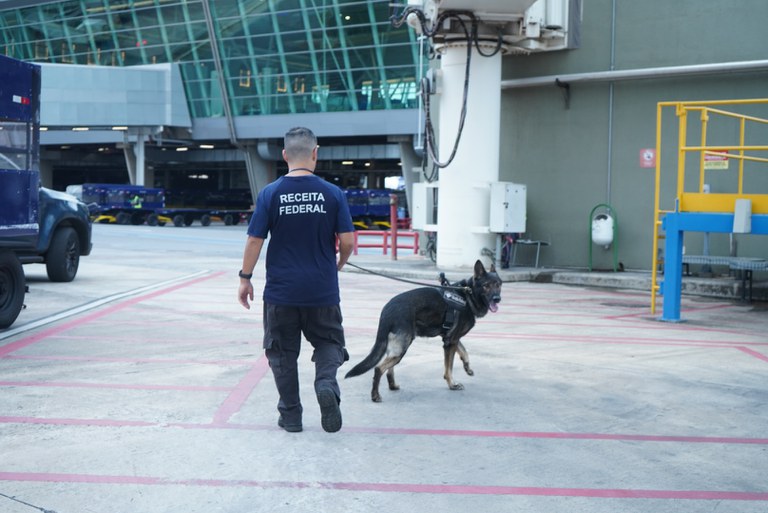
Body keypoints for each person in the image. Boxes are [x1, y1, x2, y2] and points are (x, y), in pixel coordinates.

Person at [238, 127, 355, 433]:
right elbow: (347, 240)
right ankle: (326, 383)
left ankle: (291, 416)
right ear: (316, 153)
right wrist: (338, 263)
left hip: (282, 293)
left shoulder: (270, 193)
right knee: (329, 343)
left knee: (282, 353)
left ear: (285, 156)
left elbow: (254, 240)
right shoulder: (332, 193)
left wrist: (245, 278)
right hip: (322, 291)